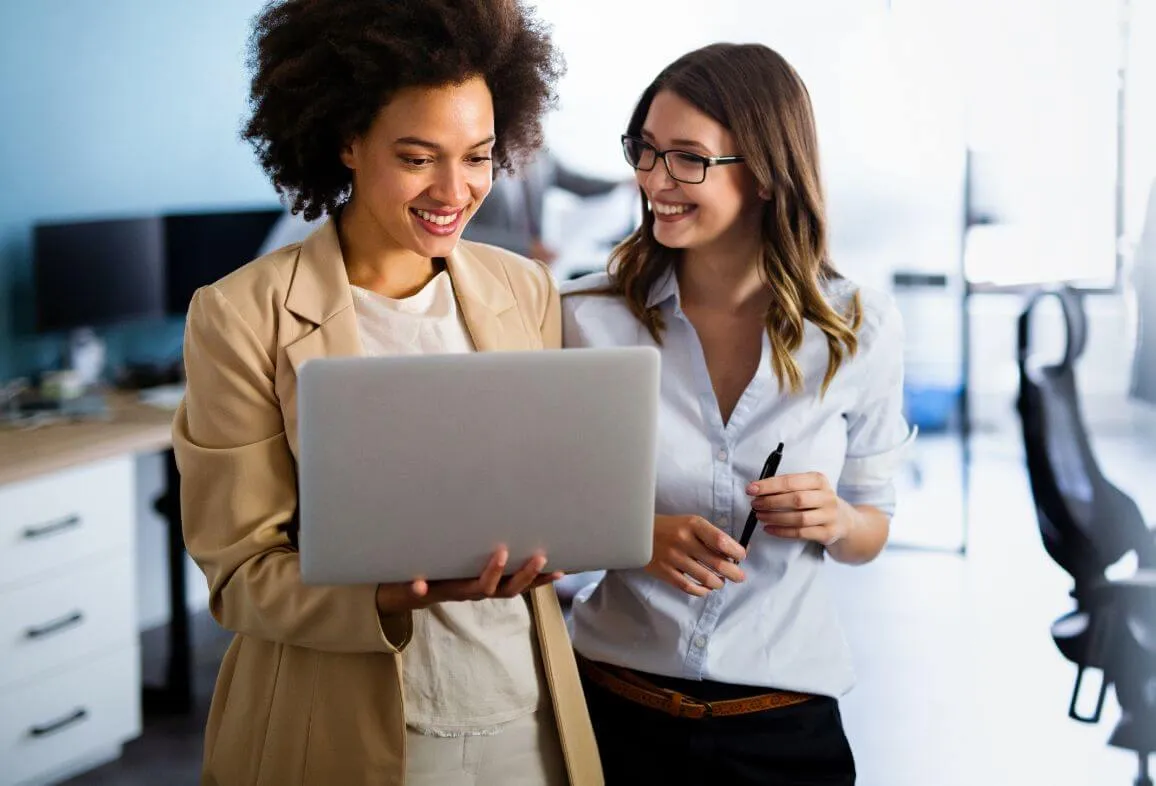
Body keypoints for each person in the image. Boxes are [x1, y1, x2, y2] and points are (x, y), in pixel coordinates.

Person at [172, 2, 603, 784]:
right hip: (354, 723)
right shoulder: (241, 315)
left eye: (478, 156)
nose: (455, 189)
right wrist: (388, 596)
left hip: (521, 710)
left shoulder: (525, 289)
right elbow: (239, 574)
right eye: (416, 157)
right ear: (346, 140)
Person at [561, 43, 916, 785]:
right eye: (646, 151)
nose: (654, 180)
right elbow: (525, 507)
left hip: (785, 727)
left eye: (687, 158)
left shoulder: (858, 329)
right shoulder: (584, 318)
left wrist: (837, 521)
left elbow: (872, 525)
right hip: (611, 715)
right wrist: (635, 537)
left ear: (764, 172)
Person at [462, 150, 625, 264]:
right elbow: (463, 233)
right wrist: (524, 247)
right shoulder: (474, 161)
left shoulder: (539, 153)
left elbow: (578, 183)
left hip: (533, 268)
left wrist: (623, 184)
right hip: (488, 266)